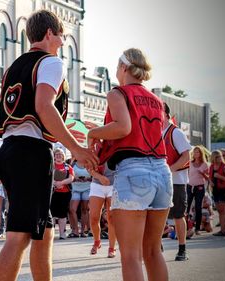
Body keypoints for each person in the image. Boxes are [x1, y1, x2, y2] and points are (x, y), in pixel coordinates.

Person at [0, 9, 97, 281]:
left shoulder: (14, 66)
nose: (63, 41)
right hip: (30, 152)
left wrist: (58, 129)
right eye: (61, 35)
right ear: (50, 33)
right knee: (19, 234)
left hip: (12, 149)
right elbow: (43, 105)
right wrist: (76, 148)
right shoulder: (51, 62)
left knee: (45, 231)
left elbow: (30, 113)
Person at [87, 48, 171, 281]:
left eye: (116, 67)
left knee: (131, 255)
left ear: (124, 68)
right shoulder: (157, 101)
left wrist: (93, 132)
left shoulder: (118, 93)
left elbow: (124, 128)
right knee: (153, 251)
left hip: (134, 171)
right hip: (162, 172)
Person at [162, 103, 192, 261]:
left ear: (166, 114)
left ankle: (182, 249)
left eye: (158, 111)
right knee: (156, 214)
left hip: (177, 182)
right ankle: (156, 246)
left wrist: (170, 169)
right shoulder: (154, 132)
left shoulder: (176, 133)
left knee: (179, 216)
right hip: (160, 182)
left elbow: (187, 156)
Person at [88, 164, 117, 258]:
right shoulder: (95, 149)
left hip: (114, 184)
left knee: (112, 218)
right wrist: (100, 177)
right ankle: (97, 241)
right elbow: (89, 168)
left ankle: (112, 248)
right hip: (97, 184)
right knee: (94, 218)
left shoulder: (116, 149)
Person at [49, 148, 74, 240]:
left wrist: (61, 183)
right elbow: (47, 176)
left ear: (63, 156)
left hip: (65, 193)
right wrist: (55, 183)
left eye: (60, 154)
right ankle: (50, 234)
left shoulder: (68, 167)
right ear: (54, 156)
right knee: (52, 213)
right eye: (57, 154)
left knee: (62, 214)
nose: (59, 156)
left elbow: (71, 178)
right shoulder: (51, 165)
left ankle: (62, 234)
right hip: (53, 193)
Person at [209, 150, 225, 236]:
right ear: (213, 158)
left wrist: (220, 176)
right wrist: (210, 182)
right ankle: (221, 230)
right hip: (216, 190)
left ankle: (224, 230)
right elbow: (210, 177)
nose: (219, 158)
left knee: (224, 210)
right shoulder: (212, 166)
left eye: (220, 156)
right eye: (217, 157)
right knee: (219, 210)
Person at [187, 145, 209, 235]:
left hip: (199, 187)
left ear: (201, 153)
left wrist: (203, 174)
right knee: (187, 207)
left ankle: (197, 229)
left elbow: (208, 178)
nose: (196, 153)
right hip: (190, 186)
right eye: (195, 152)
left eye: (198, 152)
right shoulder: (190, 163)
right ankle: (187, 227)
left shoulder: (204, 164)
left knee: (198, 207)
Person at [68, 160, 91, 238]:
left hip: (87, 189)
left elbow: (94, 176)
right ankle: (76, 231)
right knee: (72, 209)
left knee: (85, 210)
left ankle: (83, 231)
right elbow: (68, 176)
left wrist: (88, 179)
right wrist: (75, 179)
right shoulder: (72, 163)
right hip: (75, 189)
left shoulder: (89, 163)